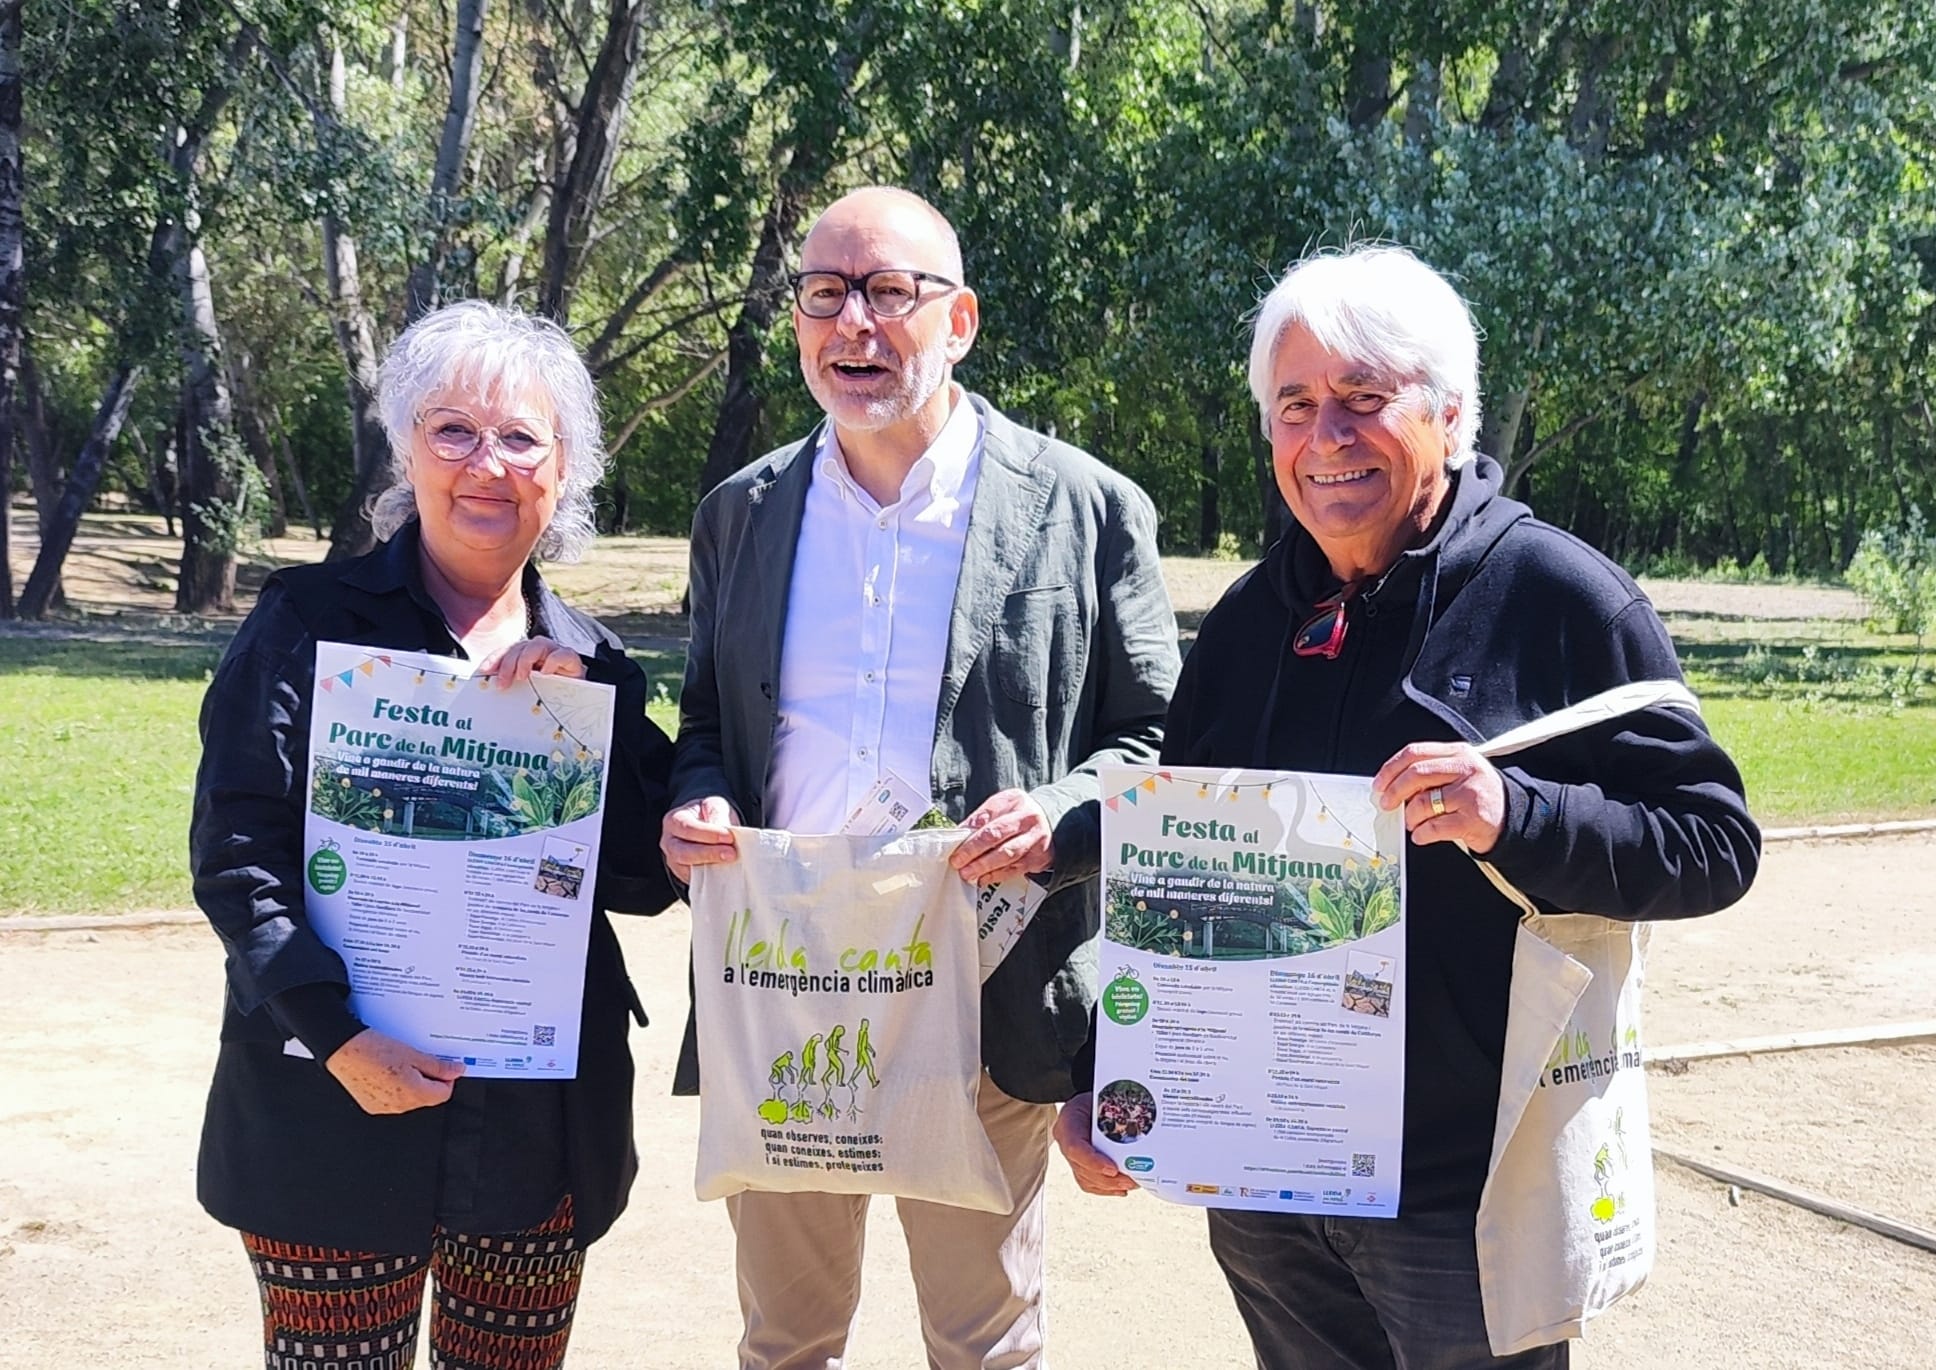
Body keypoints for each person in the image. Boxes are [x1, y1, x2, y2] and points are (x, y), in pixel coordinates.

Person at [1053, 246, 1761, 1369]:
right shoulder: (1242, 623)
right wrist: (1112, 1066)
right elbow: (1164, 872)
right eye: (1295, 404)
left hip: (1461, 1199)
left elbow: (1714, 844)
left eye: (1363, 400)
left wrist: (1513, 812)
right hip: (1262, 1177)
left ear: (1449, 413)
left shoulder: (1557, 595)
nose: (1325, 435)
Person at [661, 185, 1181, 1369]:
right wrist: (700, 794)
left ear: (960, 321)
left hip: (985, 979)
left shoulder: (1087, 508)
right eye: (824, 293)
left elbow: (1154, 738)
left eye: (889, 292)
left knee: (983, 1341)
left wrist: (1055, 814)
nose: (854, 324)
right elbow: (705, 716)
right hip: (786, 982)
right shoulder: (740, 513)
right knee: (785, 1338)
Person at [190, 300, 677, 1370]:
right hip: (330, 1104)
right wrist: (337, 1036)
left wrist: (594, 727)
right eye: (451, 429)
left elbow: (644, 877)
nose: (485, 464)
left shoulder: (592, 662)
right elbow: (239, 850)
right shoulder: (305, 621)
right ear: (409, 451)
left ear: (564, 470)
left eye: (519, 437)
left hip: (534, 1125)